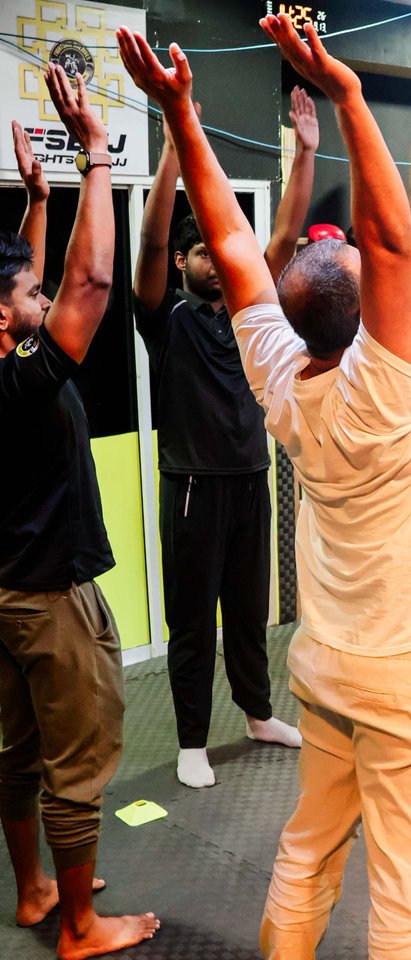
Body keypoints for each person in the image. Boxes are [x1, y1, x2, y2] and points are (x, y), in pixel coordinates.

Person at [118, 17, 411, 957]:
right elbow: (388, 240)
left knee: (308, 852)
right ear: (372, 311)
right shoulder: (388, 386)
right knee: (407, 908)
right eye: (370, 272)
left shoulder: (281, 378)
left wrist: (181, 117)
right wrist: (348, 93)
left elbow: (240, 248)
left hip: (327, 665)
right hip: (406, 676)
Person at [0, 68, 160, 959]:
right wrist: (96, 155)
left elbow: (36, 280)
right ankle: (79, 928)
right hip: (51, 597)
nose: (42, 303)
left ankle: (33, 891)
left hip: (3, 595)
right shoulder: (23, 380)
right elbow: (91, 282)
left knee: (18, 752)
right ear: (7, 320)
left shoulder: (4, 361)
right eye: (28, 301)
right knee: (77, 768)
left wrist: (38, 195)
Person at [131, 84, 320, 788]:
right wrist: (175, 155)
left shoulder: (250, 312)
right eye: (201, 251)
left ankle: (257, 712)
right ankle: (188, 742)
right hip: (191, 490)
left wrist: (303, 154)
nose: (216, 256)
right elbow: (149, 239)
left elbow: (281, 240)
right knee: (191, 625)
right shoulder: (166, 318)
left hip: (249, 478)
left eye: (220, 247)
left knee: (248, 612)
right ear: (184, 264)